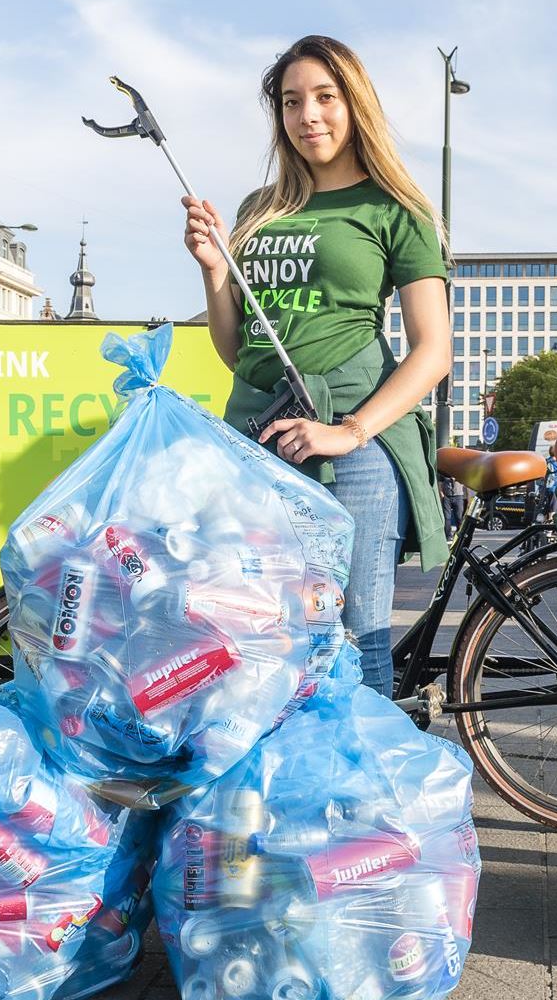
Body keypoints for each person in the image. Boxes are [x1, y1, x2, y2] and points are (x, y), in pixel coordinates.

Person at [182, 35, 451, 699]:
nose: (309, 116)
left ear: (354, 103)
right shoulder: (257, 210)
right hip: (259, 438)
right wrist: (216, 272)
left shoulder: (396, 209)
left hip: (355, 447)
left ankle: (369, 799)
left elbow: (433, 349)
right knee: (260, 638)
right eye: (292, 102)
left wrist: (351, 429)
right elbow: (239, 350)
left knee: (354, 642)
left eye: (325, 98)